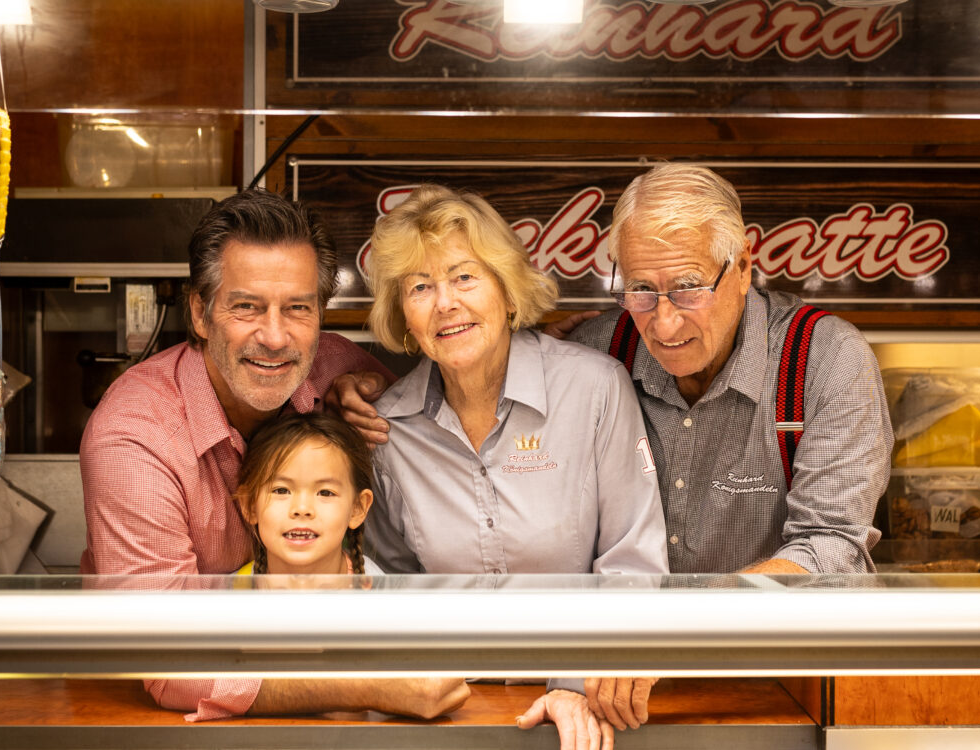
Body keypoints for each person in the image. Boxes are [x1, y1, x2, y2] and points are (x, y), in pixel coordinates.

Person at [334, 165, 893, 735]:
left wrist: (668, 628)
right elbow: (493, 361)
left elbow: (833, 552)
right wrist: (362, 381)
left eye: (689, 287)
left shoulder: (824, 363)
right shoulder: (604, 348)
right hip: (604, 694)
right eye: (641, 291)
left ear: (745, 266)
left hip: (771, 687)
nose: (665, 320)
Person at [80, 189, 465, 722]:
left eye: (298, 309)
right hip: (161, 717)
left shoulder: (334, 369)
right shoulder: (133, 436)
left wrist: (383, 386)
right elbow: (164, 658)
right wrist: (363, 688)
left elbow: (446, 421)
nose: (276, 337)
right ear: (200, 311)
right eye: (247, 307)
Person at [362, 183, 669, 750]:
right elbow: (392, 582)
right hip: (449, 712)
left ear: (507, 292)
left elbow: (634, 560)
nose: (445, 302)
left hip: (586, 711)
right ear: (403, 315)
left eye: (464, 277)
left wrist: (579, 684)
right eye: (420, 287)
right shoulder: (389, 429)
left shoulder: (595, 388)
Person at [233, 411, 383, 576]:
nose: (302, 508)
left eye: (325, 493)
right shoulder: (228, 595)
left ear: (357, 508)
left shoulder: (383, 595)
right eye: (281, 490)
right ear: (250, 505)